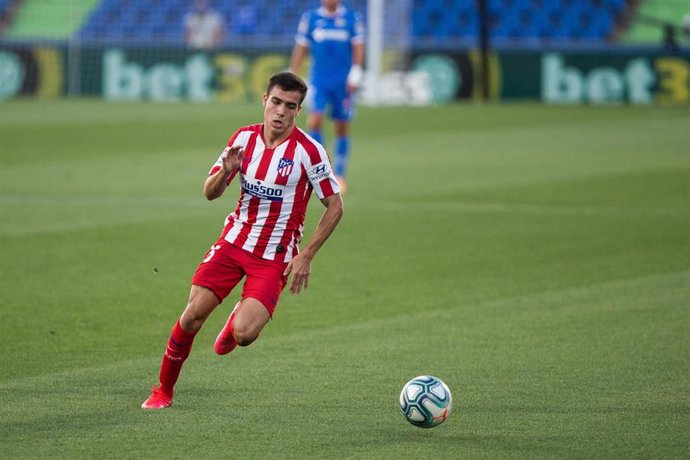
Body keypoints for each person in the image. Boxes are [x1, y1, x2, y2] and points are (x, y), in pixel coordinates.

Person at [142, 72, 344, 410]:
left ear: (298, 111)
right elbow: (209, 193)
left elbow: (335, 206)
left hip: (274, 255)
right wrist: (226, 171)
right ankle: (163, 391)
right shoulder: (243, 140)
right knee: (192, 317)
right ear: (264, 100)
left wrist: (306, 255)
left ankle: (238, 317)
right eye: (276, 102)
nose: (280, 111)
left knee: (244, 335)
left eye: (290, 106)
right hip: (234, 241)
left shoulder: (309, 152)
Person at [289, 0, 365, 193]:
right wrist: (293, 72)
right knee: (314, 121)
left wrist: (356, 71)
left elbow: (358, 46)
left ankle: (339, 175)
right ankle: (320, 172)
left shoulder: (351, 18)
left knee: (341, 126)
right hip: (319, 81)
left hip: (342, 82)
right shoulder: (311, 18)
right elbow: (301, 47)